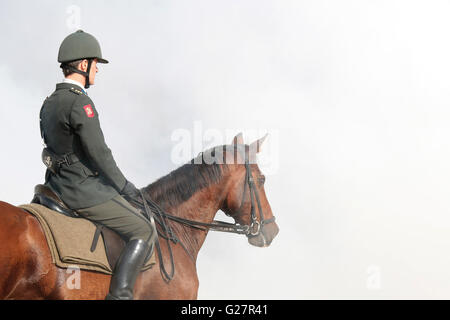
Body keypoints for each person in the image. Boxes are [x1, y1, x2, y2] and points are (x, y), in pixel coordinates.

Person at [39, 30, 156, 300]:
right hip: (81, 191)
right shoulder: (80, 103)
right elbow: (100, 154)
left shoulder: (49, 102)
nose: (97, 71)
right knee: (144, 229)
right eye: (95, 64)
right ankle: (121, 295)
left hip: (54, 185)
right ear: (83, 65)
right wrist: (125, 187)